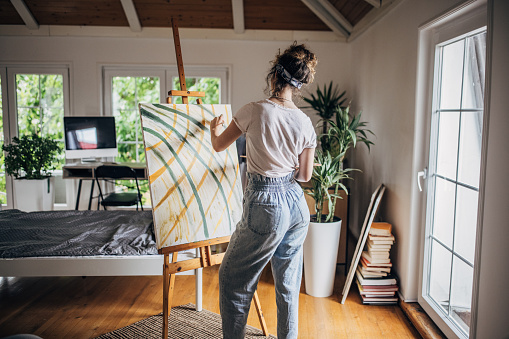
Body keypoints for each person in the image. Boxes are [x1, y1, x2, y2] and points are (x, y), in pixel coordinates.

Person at [210, 42, 318, 339]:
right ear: (297, 85)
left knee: (233, 280)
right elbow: (305, 175)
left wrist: (212, 129)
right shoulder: (305, 122)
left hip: (266, 204)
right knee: (288, 285)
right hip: (297, 205)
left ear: (274, 76)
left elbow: (219, 145)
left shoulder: (254, 111)